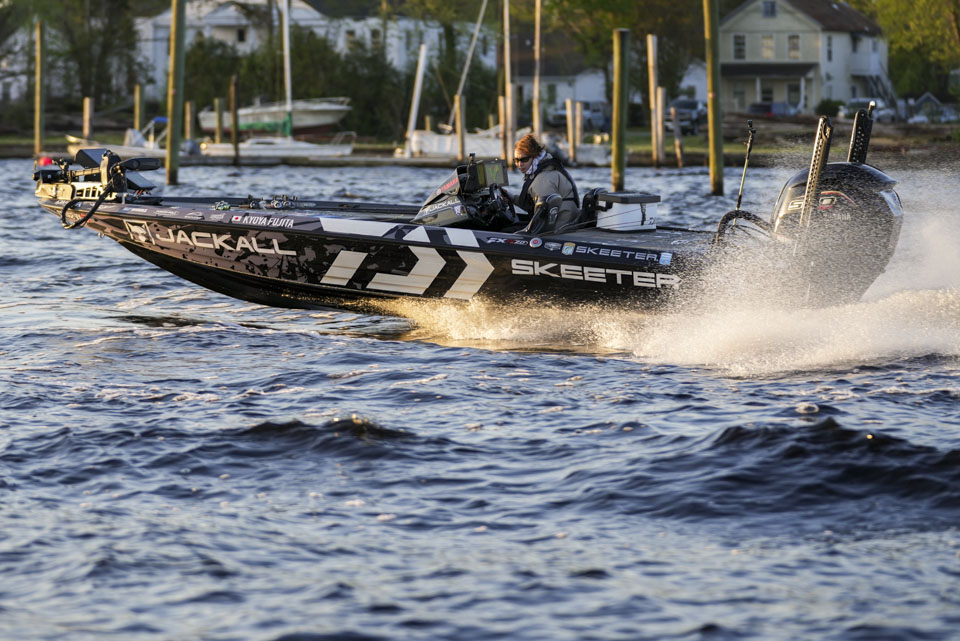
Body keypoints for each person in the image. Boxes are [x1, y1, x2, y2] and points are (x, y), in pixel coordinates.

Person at [510, 133, 580, 234]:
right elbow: (533, 204)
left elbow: (543, 218)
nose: (520, 164)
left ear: (534, 157)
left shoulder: (543, 179)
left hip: (559, 228)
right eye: (516, 160)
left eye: (524, 159)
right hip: (567, 222)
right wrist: (511, 198)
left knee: (507, 229)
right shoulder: (547, 169)